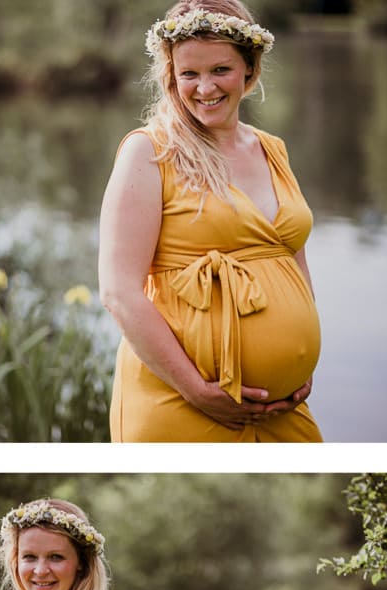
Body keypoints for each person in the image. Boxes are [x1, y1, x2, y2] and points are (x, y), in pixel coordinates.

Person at [99, 1, 322, 442]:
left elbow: (291, 256)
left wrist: (300, 361)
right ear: (171, 76)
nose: (204, 88)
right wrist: (197, 390)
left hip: (284, 407)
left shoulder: (271, 148)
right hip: (180, 404)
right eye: (189, 74)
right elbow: (119, 292)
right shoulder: (148, 152)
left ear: (249, 68)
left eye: (220, 69)